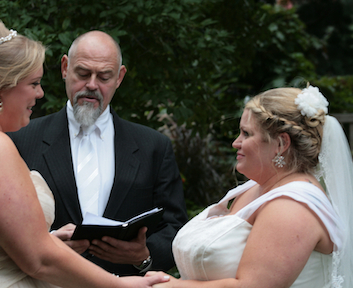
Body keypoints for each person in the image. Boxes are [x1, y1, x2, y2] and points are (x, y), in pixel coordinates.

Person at [0, 15, 170, 287]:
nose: (40, 94)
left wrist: (45, 241)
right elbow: (40, 261)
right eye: (33, 83)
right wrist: (122, 285)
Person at [8, 30, 188, 276]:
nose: (92, 85)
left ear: (120, 77)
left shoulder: (153, 147)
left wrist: (144, 256)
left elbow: (174, 226)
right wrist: (46, 245)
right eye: (82, 74)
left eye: (104, 76)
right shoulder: (20, 139)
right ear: (64, 68)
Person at [147, 86, 353, 287]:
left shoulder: (292, 207)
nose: (236, 143)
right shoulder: (255, 188)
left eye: (246, 134)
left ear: (281, 144)